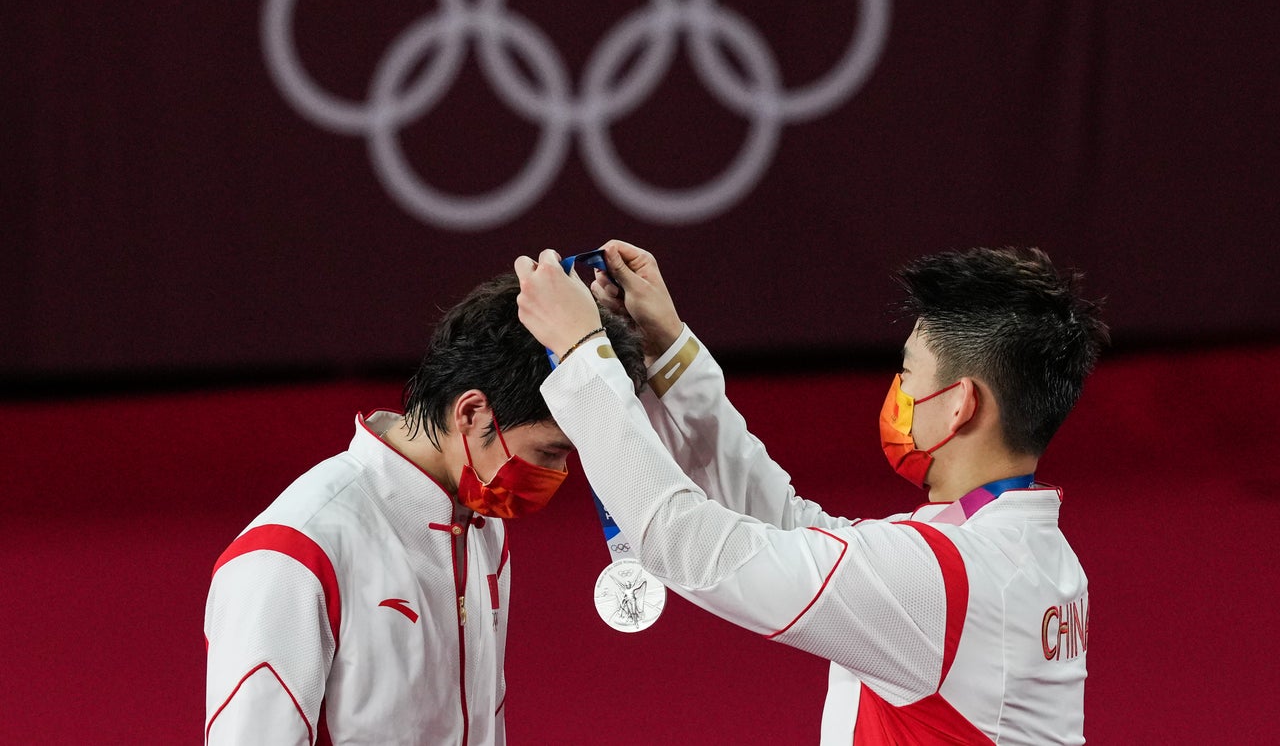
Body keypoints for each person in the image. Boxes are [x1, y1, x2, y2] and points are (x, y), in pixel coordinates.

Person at [514, 241, 1107, 745]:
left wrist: (580, 357)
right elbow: (797, 529)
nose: (897, 389)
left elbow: (687, 543)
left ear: (959, 405)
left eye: (907, 372)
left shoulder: (947, 581)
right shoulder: (1015, 553)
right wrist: (666, 349)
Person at [204, 272, 645, 745]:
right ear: (472, 414)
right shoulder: (292, 557)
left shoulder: (479, 521)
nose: (559, 471)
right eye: (551, 450)